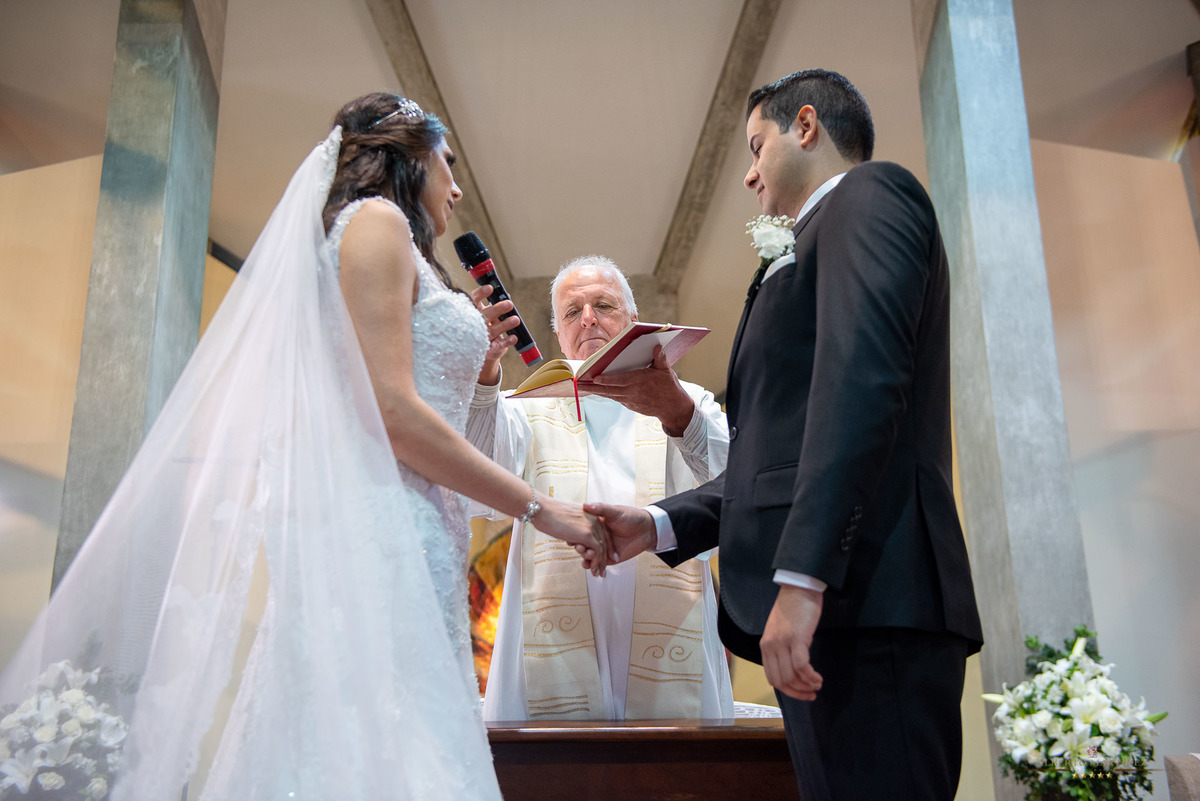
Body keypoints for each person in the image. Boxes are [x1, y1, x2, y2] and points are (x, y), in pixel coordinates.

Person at [0, 92, 605, 801]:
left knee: (391, 729)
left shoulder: (387, 241)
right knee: (380, 734)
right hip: (383, 520)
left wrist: (477, 368)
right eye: (448, 163)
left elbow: (409, 397)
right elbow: (390, 412)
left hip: (419, 524)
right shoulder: (375, 223)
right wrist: (542, 509)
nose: (457, 185)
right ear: (408, 158)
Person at [583, 69, 984, 800]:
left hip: (866, 598)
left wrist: (802, 580)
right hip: (838, 607)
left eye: (755, 145)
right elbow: (780, 451)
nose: (747, 172)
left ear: (806, 127)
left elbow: (861, 385)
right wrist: (661, 523)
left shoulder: (871, 195)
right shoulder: (807, 242)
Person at [466, 256, 734, 721]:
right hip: (554, 633)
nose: (588, 318)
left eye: (603, 305)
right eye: (572, 312)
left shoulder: (686, 396)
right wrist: (487, 376)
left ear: (633, 321)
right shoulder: (523, 407)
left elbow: (731, 487)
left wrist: (680, 415)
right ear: (558, 334)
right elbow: (480, 472)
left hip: (668, 625)